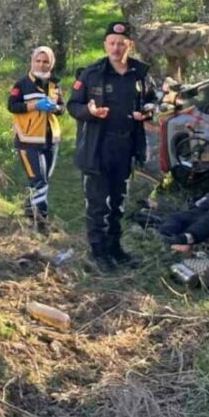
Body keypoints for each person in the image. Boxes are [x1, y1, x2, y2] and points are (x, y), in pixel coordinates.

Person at [67, 22, 158, 273]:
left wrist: (148, 112)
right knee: (98, 204)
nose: (116, 48)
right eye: (112, 43)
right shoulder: (92, 73)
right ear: (105, 45)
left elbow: (152, 101)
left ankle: (115, 248)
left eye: (121, 44)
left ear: (130, 45)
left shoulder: (140, 74)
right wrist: (90, 111)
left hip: (126, 146)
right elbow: (73, 106)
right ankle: (99, 253)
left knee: (118, 202)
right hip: (98, 146)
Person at [7, 46, 64, 233]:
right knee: (39, 181)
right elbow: (12, 106)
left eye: (45, 61)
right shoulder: (22, 84)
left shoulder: (55, 85)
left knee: (43, 181)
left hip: (50, 140)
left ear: (51, 63)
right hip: (28, 140)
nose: (41, 64)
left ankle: (28, 215)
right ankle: (41, 222)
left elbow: (62, 109)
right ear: (32, 62)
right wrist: (34, 105)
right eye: (38, 61)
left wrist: (55, 108)